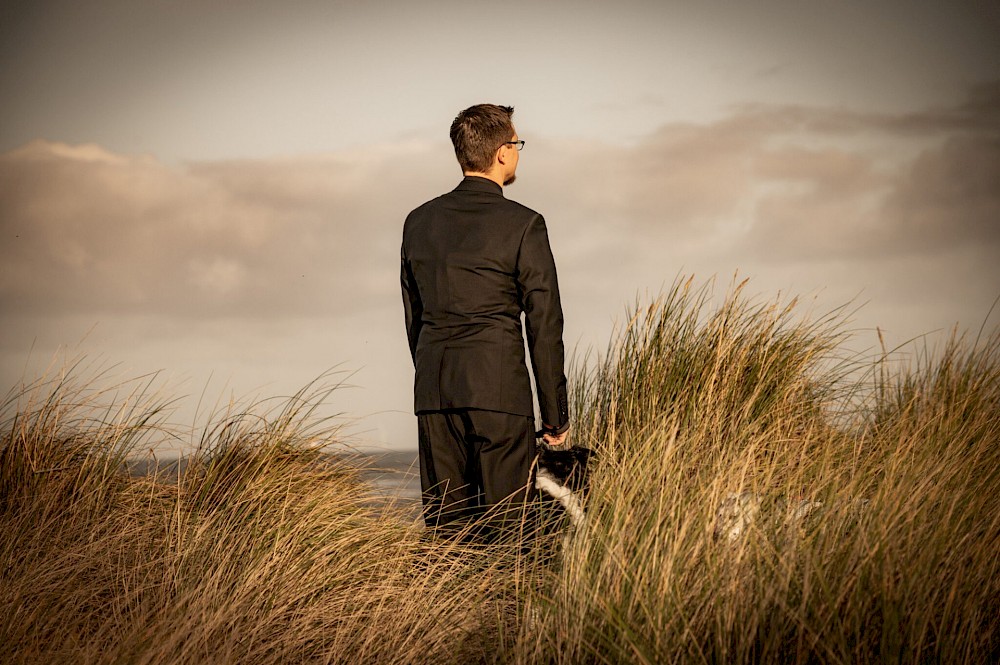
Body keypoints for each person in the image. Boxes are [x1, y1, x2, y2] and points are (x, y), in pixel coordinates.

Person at [400, 104, 570, 539]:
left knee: (447, 538)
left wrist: (433, 380)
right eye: (516, 144)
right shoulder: (524, 225)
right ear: (502, 152)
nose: (517, 152)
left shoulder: (418, 222)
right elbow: (544, 324)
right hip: (499, 394)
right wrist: (555, 418)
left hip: (436, 394)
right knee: (508, 536)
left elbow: (414, 317)